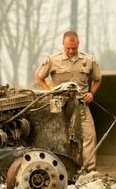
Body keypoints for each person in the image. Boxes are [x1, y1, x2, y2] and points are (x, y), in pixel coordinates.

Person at [35, 31, 102, 172]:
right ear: (63, 45)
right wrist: (49, 91)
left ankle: (90, 170)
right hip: (59, 105)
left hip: (81, 104)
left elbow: (98, 78)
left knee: (89, 135)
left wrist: (91, 93)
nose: (71, 51)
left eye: (74, 48)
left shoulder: (88, 60)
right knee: (57, 135)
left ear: (78, 44)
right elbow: (39, 76)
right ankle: (58, 169)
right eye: (68, 48)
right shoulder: (53, 60)